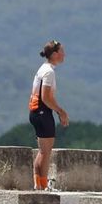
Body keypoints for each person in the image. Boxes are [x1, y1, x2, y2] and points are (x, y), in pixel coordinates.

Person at [30, 40, 70, 191]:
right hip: (42, 111)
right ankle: (44, 184)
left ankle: (38, 184)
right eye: (61, 52)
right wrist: (61, 112)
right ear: (54, 55)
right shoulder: (49, 72)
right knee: (46, 152)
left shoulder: (43, 69)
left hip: (35, 112)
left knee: (42, 151)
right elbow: (46, 97)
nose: (64, 55)